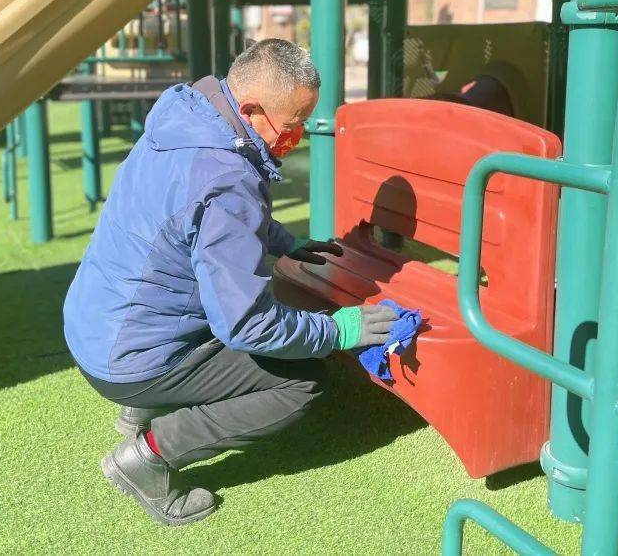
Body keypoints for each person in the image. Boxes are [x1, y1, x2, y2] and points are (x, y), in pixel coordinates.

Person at [63, 38, 397, 526]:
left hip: (94, 326)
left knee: (225, 295)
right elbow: (246, 325)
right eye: (292, 124)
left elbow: (200, 219)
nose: (298, 136)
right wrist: (338, 331)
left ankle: (144, 407)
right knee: (300, 381)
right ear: (251, 108)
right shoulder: (226, 175)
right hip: (131, 361)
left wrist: (282, 242)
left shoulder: (186, 117)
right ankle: (149, 456)